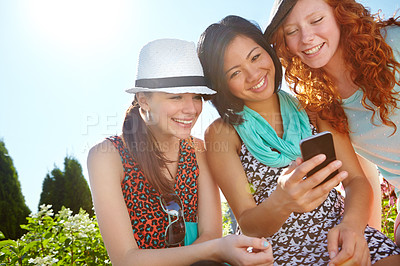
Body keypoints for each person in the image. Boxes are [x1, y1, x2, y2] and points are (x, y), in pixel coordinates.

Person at [198, 15, 400, 265]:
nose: (253, 75)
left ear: (268, 51)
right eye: (235, 72)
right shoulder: (222, 133)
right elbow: (248, 223)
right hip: (275, 251)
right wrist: (282, 202)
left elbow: (356, 181)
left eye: (255, 56)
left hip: (340, 232)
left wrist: (351, 229)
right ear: (221, 84)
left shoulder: (314, 105)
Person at [87, 38, 274, 266]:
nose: (191, 109)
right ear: (143, 99)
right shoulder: (107, 156)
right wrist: (215, 249)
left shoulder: (198, 150)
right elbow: (126, 260)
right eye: (176, 97)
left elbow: (210, 234)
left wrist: (215, 248)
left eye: (196, 97)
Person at [265, 0, 400, 234]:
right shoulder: (322, 103)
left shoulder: (392, 43)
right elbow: (363, 176)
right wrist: (372, 241)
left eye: (316, 20)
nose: (306, 37)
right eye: (292, 31)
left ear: (340, 15)